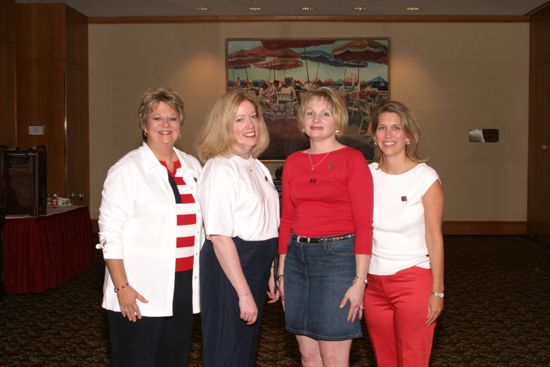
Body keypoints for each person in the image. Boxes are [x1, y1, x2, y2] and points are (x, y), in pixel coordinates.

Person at [96, 87, 203, 367]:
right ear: (145, 125)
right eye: (157, 118)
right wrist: (123, 287)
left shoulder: (192, 167)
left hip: (182, 288)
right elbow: (110, 235)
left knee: (174, 360)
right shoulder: (126, 170)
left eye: (173, 118)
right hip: (138, 290)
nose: (165, 125)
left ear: (181, 125)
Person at [278, 87, 374, 366]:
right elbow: (286, 221)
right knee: (308, 356)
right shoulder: (294, 162)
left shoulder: (353, 160)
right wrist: (282, 272)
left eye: (325, 113)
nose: (316, 119)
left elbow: (364, 226)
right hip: (297, 262)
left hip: (338, 261)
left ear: (337, 121)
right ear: (302, 121)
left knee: (333, 358)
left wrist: (360, 282)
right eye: (310, 113)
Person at [196, 90, 280, 366]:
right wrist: (243, 293)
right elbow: (219, 237)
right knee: (226, 352)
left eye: (253, 117)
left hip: (254, 266)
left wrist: (269, 271)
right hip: (229, 269)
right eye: (239, 119)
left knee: (243, 352)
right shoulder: (220, 168)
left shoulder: (257, 166)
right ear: (224, 126)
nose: (250, 125)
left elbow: (265, 223)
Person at [364, 100, 445, 367]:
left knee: (412, 360)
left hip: (413, 280)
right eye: (382, 128)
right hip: (373, 284)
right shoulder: (367, 175)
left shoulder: (425, 178)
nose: (389, 136)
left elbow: (435, 238)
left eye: (396, 128)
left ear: (408, 135)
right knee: (384, 360)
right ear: (374, 136)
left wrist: (438, 292)